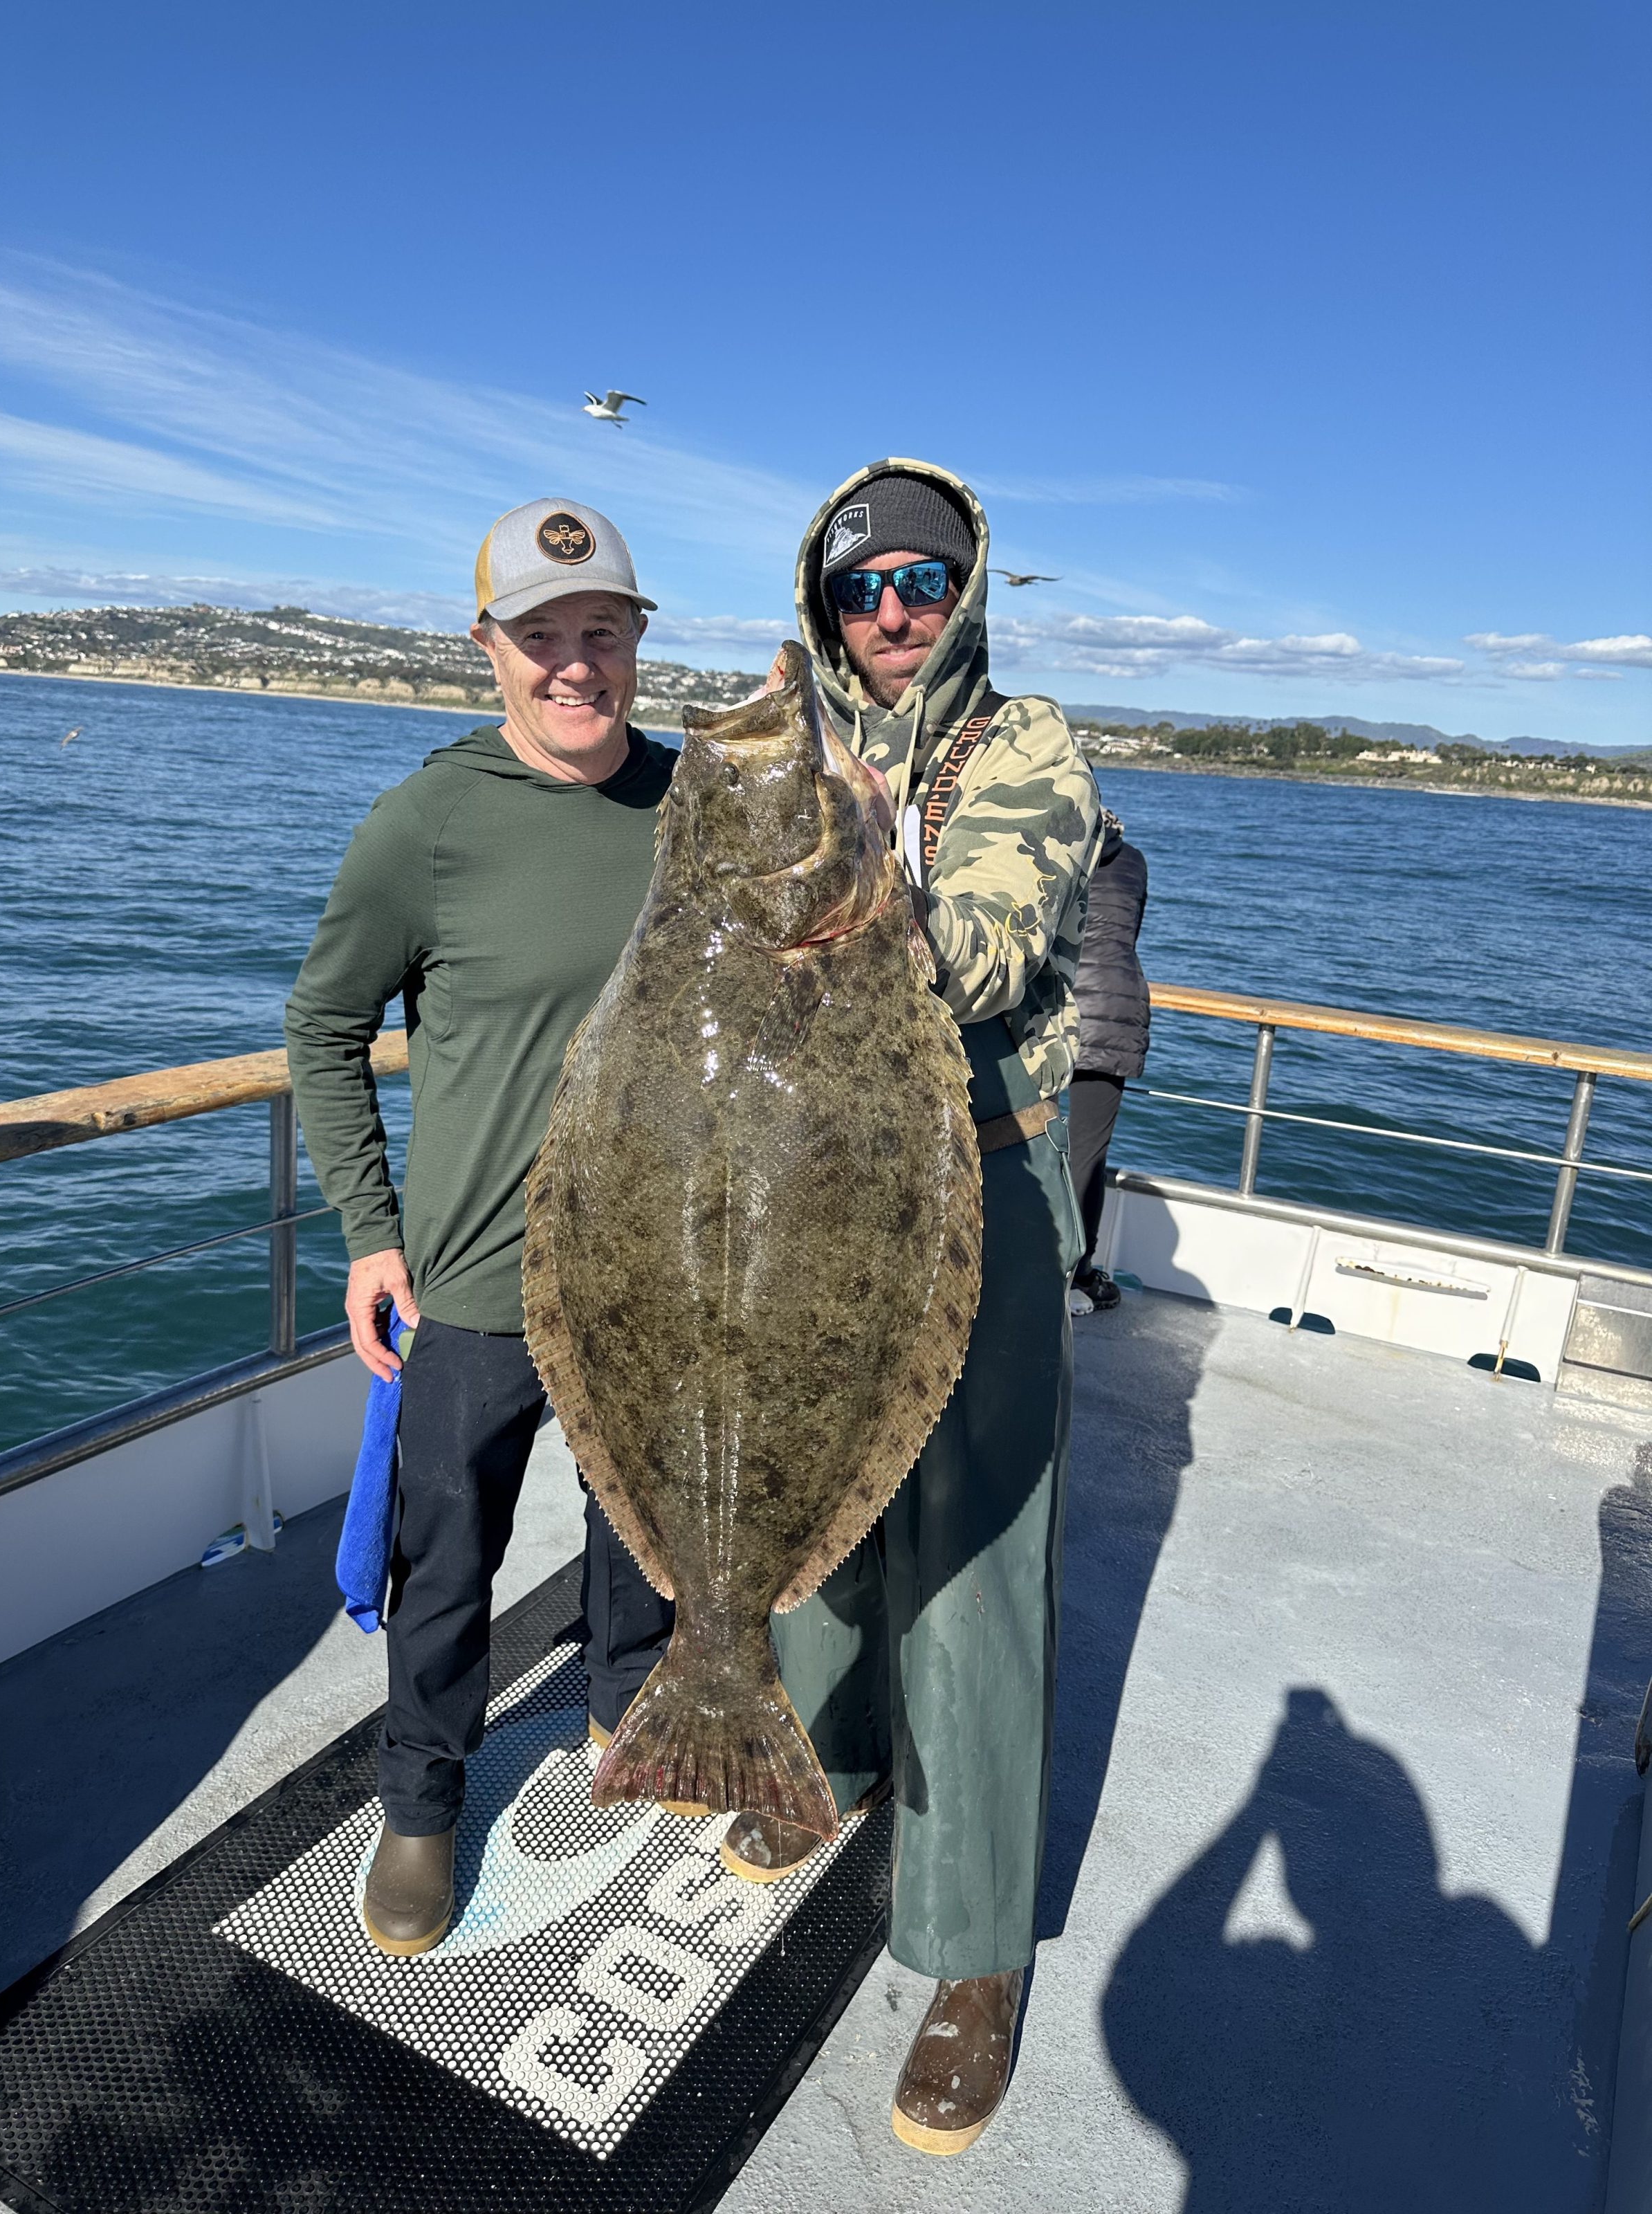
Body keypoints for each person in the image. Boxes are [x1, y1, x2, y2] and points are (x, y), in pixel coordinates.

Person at [729, 461, 1097, 2152]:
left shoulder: (1020, 749)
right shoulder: (762, 737)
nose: (891, 614)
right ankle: (829, 1750)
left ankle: (966, 1954)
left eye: (923, 586)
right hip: (799, 1177)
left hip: (980, 1178)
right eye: (863, 585)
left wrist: (836, 894)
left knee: (966, 1550)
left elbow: (996, 951)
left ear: (965, 598)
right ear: (822, 596)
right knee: (816, 1489)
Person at [284, 497, 676, 1958]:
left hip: (656, 1277)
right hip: (473, 1278)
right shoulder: (428, 822)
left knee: (646, 1530)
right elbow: (324, 1026)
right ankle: (422, 1804)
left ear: (637, 642)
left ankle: (630, 1716)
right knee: (443, 1559)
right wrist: (370, 1232)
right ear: (488, 649)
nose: (574, 666)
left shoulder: (695, 809)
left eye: (601, 633)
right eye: (541, 638)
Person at [1067, 807, 1150, 1312]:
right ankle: (1078, 1273)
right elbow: (1128, 931)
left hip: (1057, 1010)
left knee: (1011, 1136)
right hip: (1117, 1008)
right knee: (1088, 1154)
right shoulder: (1134, 860)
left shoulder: (1053, 851)